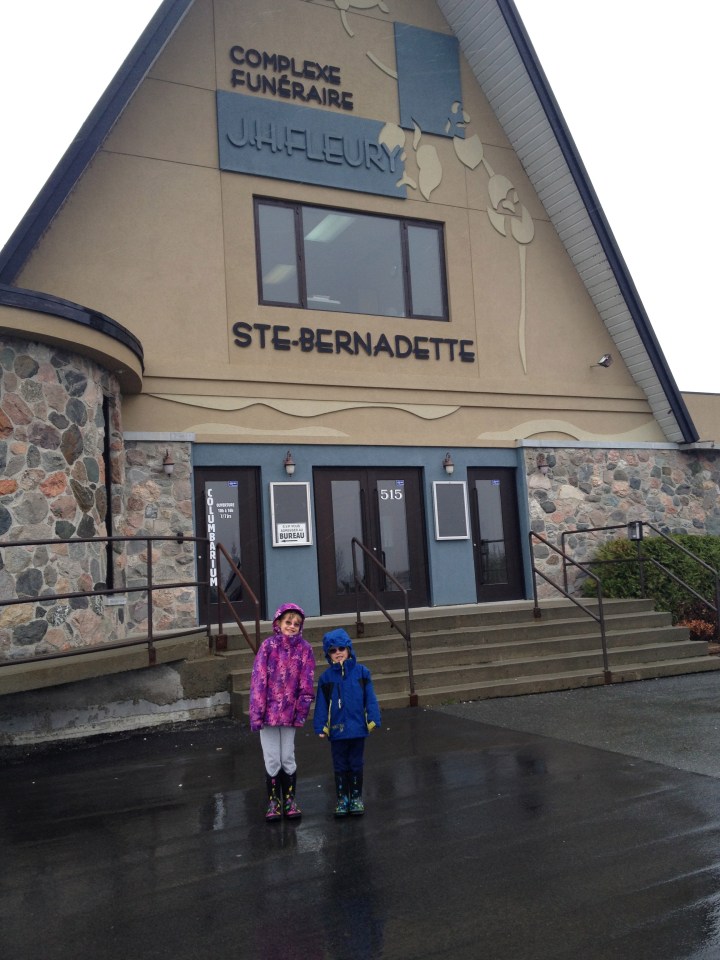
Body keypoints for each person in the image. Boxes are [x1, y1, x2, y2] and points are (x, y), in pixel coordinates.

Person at [249, 602, 316, 822]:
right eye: (288, 622)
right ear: (278, 622)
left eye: (296, 623)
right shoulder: (268, 647)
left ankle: (289, 799)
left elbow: (307, 684)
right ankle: (273, 802)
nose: (292, 626)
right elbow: (259, 680)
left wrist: (301, 711)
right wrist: (256, 714)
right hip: (268, 714)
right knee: (272, 759)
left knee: (287, 757)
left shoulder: (305, 650)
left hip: (290, 713)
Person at [313, 627, 381, 817]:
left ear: (349, 649)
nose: (338, 654)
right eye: (333, 651)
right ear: (328, 654)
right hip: (336, 730)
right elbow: (322, 704)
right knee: (340, 765)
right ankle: (342, 798)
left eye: (341, 649)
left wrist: (374, 717)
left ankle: (356, 797)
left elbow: (371, 698)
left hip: (358, 727)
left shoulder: (362, 673)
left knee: (356, 763)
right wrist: (321, 726)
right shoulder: (326, 678)